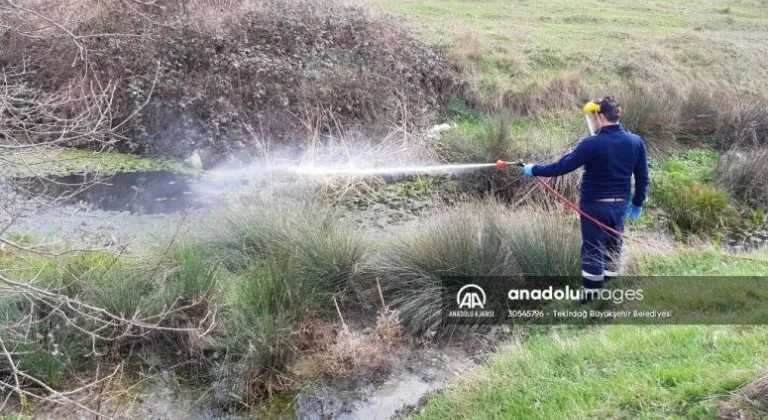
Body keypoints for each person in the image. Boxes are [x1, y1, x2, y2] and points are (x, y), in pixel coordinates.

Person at [521, 97, 649, 299]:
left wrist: (533, 169)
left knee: (592, 250)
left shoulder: (591, 144)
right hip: (619, 208)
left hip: (593, 208)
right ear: (618, 114)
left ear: (599, 116)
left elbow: (561, 167)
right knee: (614, 248)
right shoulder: (635, 142)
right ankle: (610, 295)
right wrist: (637, 203)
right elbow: (642, 177)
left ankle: (591, 298)